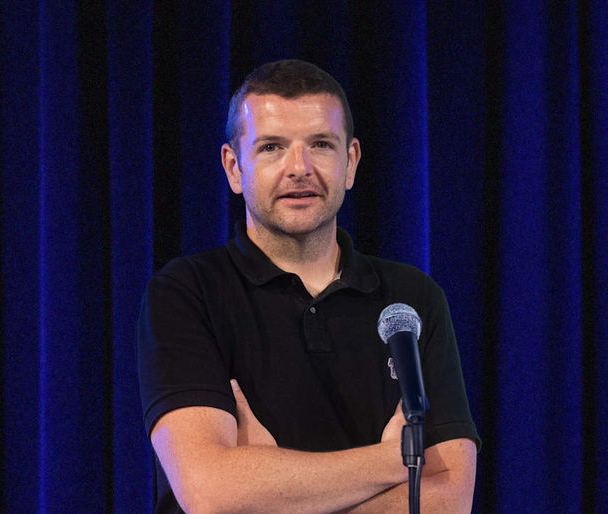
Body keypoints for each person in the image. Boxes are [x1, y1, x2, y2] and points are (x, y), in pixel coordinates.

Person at [137, 59, 479, 513]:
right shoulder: (186, 294)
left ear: (350, 162)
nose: (299, 168)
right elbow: (211, 493)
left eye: (320, 144)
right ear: (234, 168)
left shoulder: (411, 300)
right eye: (272, 147)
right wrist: (394, 461)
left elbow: (448, 500)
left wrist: (266, 490)